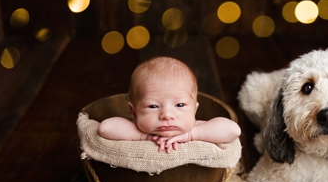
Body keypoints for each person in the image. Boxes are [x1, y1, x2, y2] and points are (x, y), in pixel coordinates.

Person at [97, 56, 240, 153]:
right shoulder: (135, 129)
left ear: (194, 110)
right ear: (133, 112)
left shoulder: (198, 128)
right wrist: (143, 136)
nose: (167, 115)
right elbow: (105, 128)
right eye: (153, 106)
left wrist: (191, 135)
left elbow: (233, 130)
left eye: (179, 105)